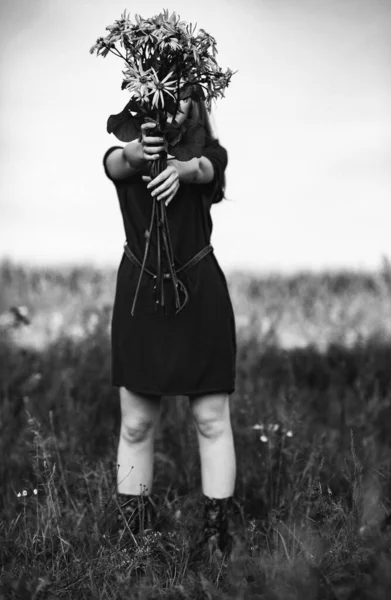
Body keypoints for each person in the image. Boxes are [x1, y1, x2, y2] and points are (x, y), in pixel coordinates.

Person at [102, 100, 237, 555]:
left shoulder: (210, 155)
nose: (172, 111)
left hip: (199, 294)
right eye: (164, 97)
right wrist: (138, 155)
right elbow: (114, 162)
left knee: (211, 419)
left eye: (183, 102)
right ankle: (133, 543)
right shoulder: (130, 151)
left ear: (196, 109)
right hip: (142, 291)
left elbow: (205, 168)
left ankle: (217, 543)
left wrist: (180, 169)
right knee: (137, 424)